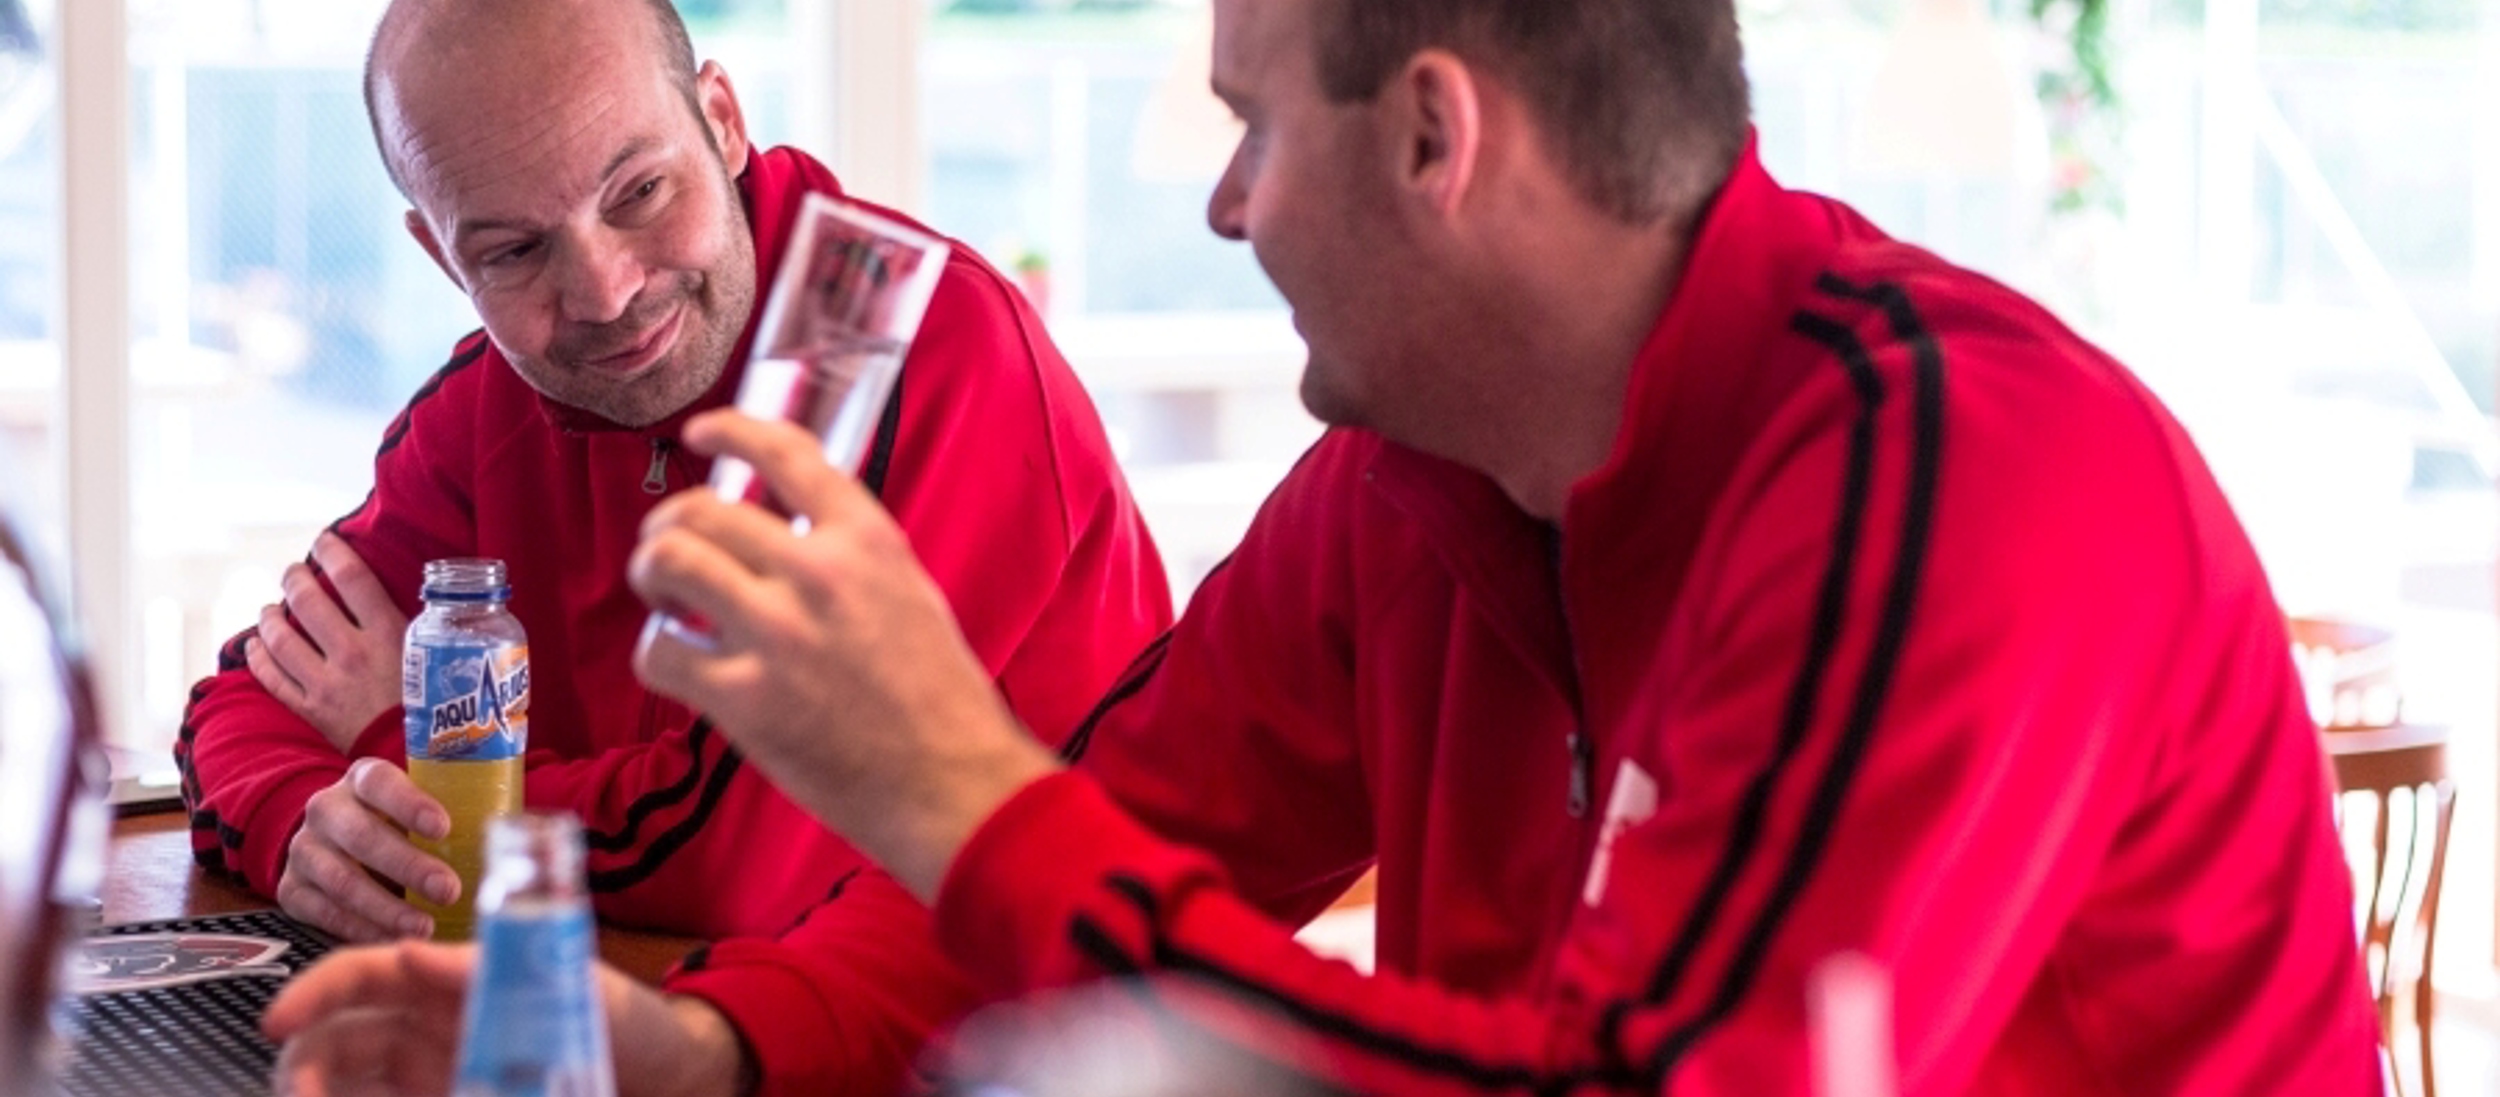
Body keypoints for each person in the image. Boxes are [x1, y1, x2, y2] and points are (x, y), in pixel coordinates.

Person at [268, 0, 2387, 1092]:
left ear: (1432, 140)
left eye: (1245, 126)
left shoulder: (1954, 474)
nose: (1219, 208)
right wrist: (709, 1046)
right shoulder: (1399, 489)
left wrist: (948, 787)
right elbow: (1088, 852)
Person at [177, 0, 1166, 981]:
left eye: (639, 191)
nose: (606, 291)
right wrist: (303, 822)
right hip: (673, 1015)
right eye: (514, 251)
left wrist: (401, 750)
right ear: (443, 256)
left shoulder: (889, 344)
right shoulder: (486, 398)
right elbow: (248, 696)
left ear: (723, 123)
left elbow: (743, 857)